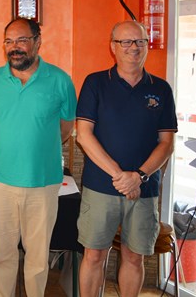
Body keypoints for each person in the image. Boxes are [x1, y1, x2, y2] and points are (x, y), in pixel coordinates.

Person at [76, 21, 177, 297]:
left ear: (147, 45)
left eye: (140, 41)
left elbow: (166, 143)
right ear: (113, 47)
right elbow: (84, 136)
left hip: (143, 190)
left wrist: (138, 177)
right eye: (126, 42)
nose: (134, 48)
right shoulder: (95, 83)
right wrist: (120, 175)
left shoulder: (162, 89)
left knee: (135, 257)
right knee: (94, 255)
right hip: (100, 187)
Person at [0, 18, 77, 297]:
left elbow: (66, 129)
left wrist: (37, 147)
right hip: (0, 181)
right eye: (9, 41)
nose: (14, 47)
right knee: (2, 254)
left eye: (21, 40)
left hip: (43, 182)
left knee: (37, 257)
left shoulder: (60, 80)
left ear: (37, 41)